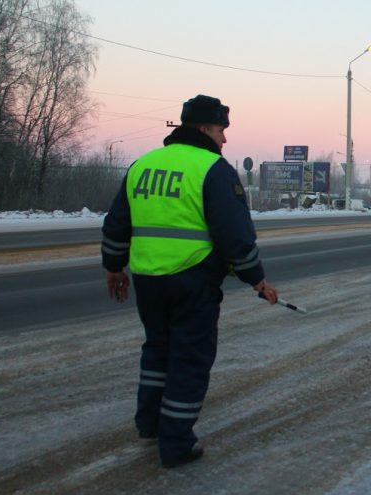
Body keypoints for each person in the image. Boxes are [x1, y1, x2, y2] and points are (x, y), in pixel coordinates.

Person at [101, 94, 278, 468]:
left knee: (157, 350)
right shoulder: (213, 169)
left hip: (148, 279)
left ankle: (150, 424)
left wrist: (114, 267)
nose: (224, 140)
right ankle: (177, 442)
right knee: (190, 358)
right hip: (192, 280)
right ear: (202, 129)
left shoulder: (142, 165)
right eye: (220, 130)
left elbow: (117, 224)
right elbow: (235, 236)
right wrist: (256, 279)